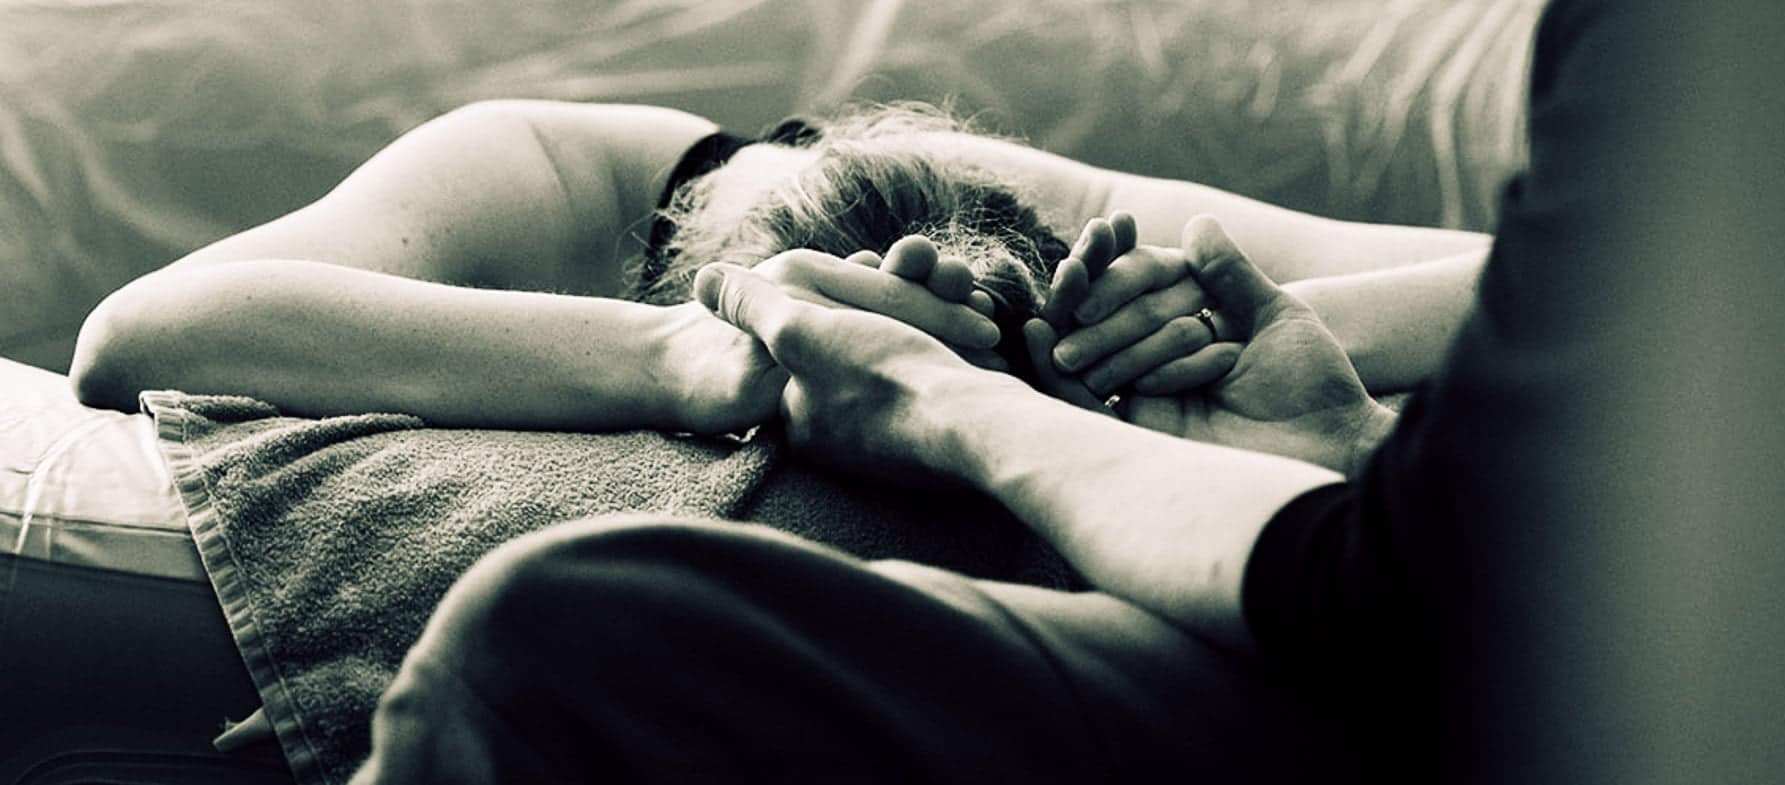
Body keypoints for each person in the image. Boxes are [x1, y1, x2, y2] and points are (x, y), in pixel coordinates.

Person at [336, 0, 1785, 782]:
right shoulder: (546, 165)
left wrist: (955, 396)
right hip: (1438, 613)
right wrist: (1335, 431)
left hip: (1459, 662)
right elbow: (149, 329)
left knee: (564, 635)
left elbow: (1413, 582)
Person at [69, 102, 1488, 433]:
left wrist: (1178, 325)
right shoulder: (532, 174)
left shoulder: (1042, 214)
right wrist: (706, 358)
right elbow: (140, 331)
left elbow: (1543, 283)